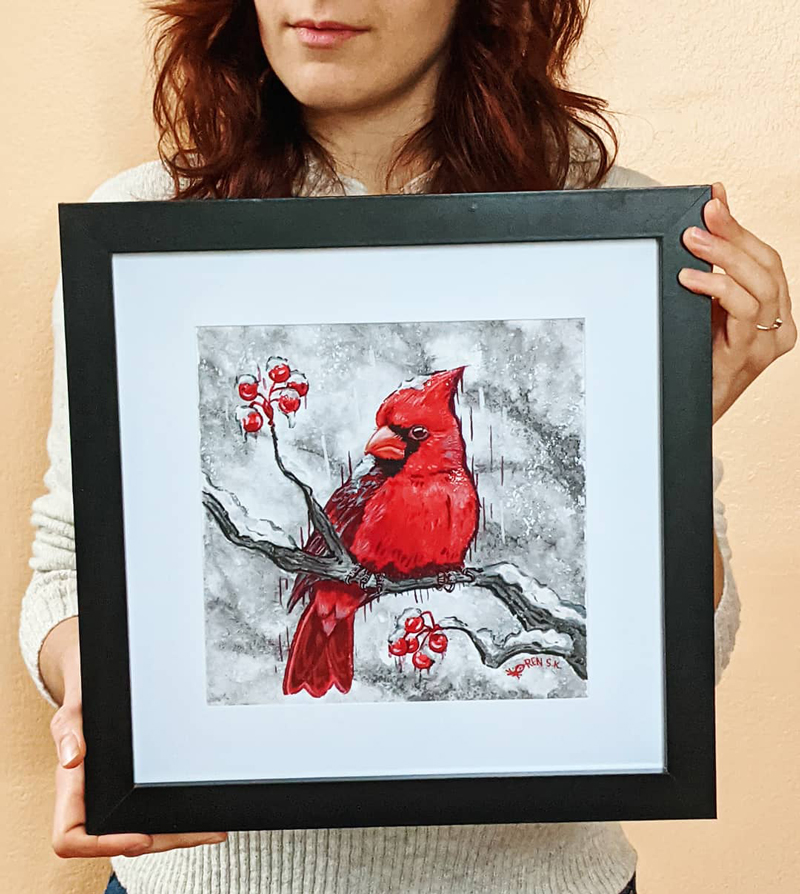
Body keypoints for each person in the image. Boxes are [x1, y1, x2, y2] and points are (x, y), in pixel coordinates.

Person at [18, 2, 795, 893]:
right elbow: (65, 566)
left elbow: (691, 654)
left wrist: (674, 439)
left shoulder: (607, 236)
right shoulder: (145, 229)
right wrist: (103, 699)